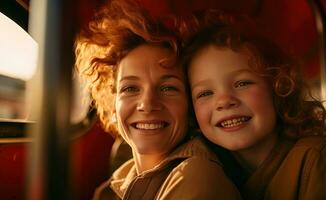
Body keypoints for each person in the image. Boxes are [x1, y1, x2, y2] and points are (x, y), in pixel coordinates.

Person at [179, 10, 326, 200]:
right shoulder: (205, 170)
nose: (224, 101)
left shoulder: (318, 159)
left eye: (242, 83)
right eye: (205, 93)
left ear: (277, 88)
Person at [74, 1, 242, 199]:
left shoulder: (197, 177)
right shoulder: (116, 182)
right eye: (130, 88)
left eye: (168, 88)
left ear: (190, 109)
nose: (147, 104)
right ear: (113, 106)